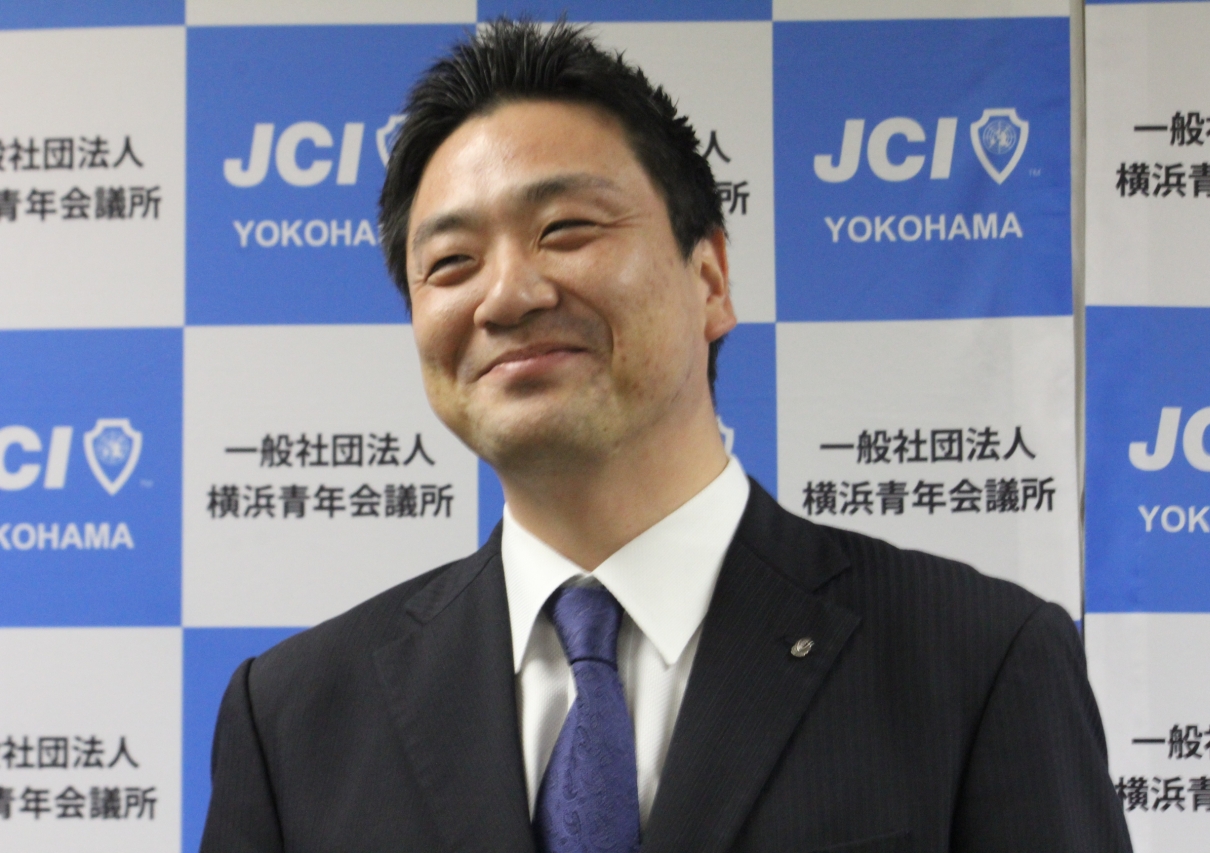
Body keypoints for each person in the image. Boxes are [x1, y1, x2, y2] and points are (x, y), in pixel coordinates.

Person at [200, 19, 1131, 853]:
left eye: (565, 228)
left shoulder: (976, 660)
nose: (508, 295)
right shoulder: (292, 718)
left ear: (711, 278)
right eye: (451, 262)